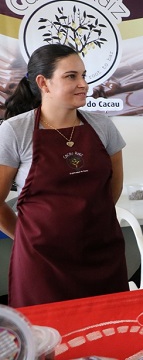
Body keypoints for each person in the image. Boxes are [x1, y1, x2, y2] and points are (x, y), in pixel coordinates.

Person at [0, 44, 129, 307]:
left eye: (84, 75)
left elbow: (113, 187)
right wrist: (28, 239)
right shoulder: (16, 131)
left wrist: (91, 224)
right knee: (48, 340)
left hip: (101, 254)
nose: (84, 84)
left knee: (110, 331)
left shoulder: (102, 126)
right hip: (43, 264)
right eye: (71, 76)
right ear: (43, 83)